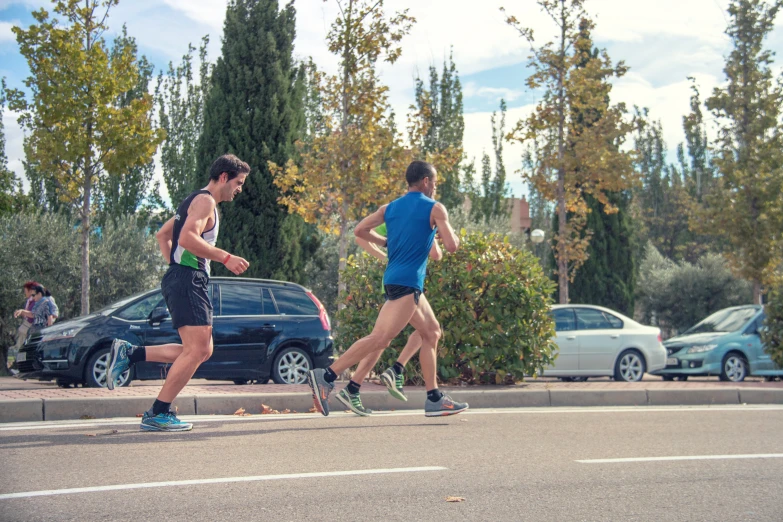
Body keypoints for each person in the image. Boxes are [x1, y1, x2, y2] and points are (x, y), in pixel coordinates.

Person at [309, 160, 469, 418]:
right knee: (380, 338)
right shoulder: (436, 209)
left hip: (394, 278)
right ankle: (326, 375)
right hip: (408, 283)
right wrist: (453, 236)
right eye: (435, 183)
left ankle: (434, 397)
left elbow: (360, 230)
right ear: (426, 181)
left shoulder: (390, 207)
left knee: (431, 331)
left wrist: (385, 241)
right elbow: (451, 247)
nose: (435, 188)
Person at [105, 154, 251, 432]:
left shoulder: (192, 200)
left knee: (201, 350)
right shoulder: (206, 201)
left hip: (182, 277)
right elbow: (185, 238)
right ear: (224, 177)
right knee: (197, 350)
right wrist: (225, 257)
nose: (239, 189)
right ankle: (158, 412)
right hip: (188, 279)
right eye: (239, 182)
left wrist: (175, 266)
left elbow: (163, 236)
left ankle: (131, 353)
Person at [336, 218, 442, 416]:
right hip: (405, 282)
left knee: (417, 332)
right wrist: (385, 257)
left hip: (401, 280)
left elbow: (361, 238)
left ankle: (356, 386)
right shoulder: (412, 220)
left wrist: (387, 256)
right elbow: (436, 254)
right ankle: (394, 370)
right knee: (390, 337)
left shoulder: (401, 216)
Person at [9, 281, 38, 372]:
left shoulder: (36, 301)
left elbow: (33, 314)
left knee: (19, 349)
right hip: (25, 327)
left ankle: (17, 367)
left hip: (29, 328)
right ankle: (18, 367)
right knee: (19, 348)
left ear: (30, 291)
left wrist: (22, 311)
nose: (24, 292)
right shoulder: (29, 301)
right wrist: (20, 312)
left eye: (25, 290)